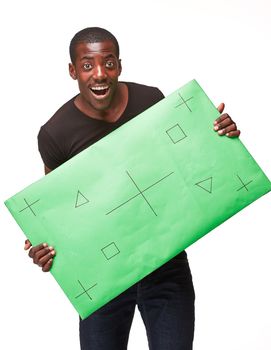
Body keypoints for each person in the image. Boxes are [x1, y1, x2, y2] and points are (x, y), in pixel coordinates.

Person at [24, 27, 241, 350]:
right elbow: (56, 213)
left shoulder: (150, 99)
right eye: (87, 65)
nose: (100, 74)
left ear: (120, 66)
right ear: (73, 71)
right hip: (104, 278)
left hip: (165, 265)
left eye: (108, 63)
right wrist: (43, 247)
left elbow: (184, 164)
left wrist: (219, 135)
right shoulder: (55, 133)